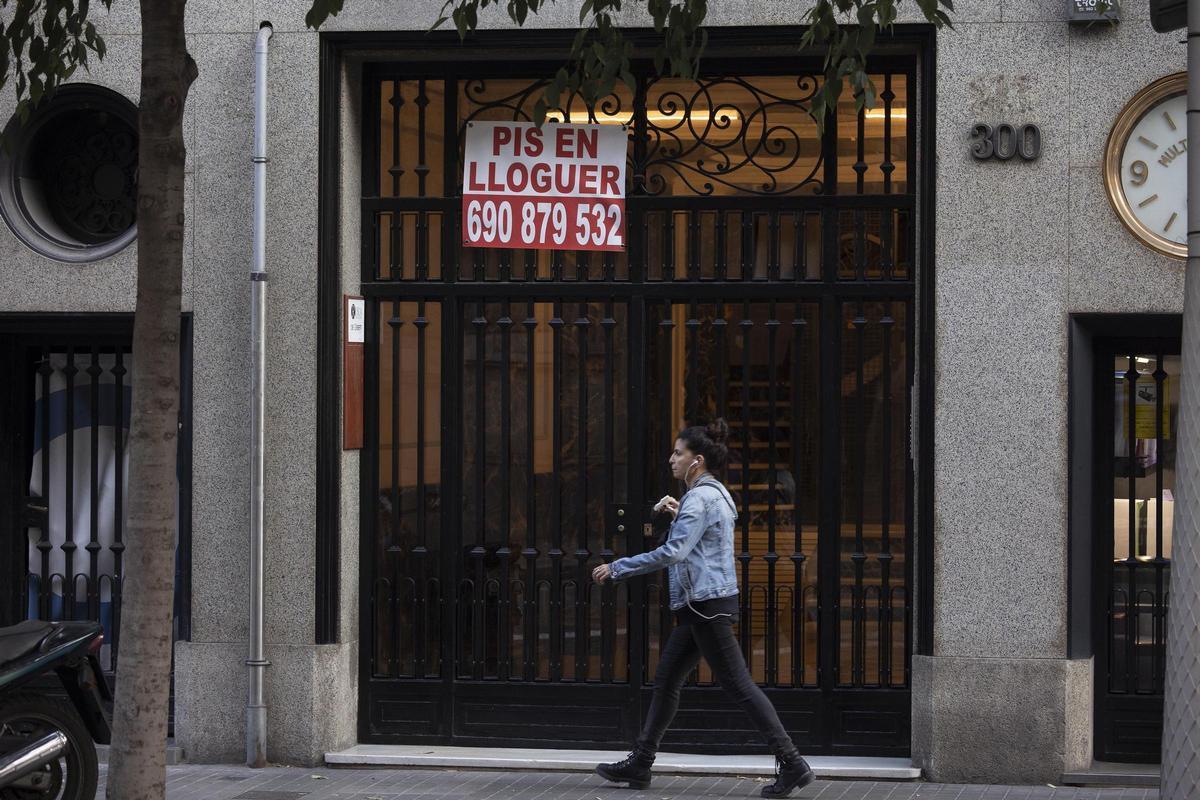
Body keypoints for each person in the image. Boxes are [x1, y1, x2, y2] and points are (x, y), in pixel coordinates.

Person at [590, 419, 815, 798]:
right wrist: (680, 516)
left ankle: (792, 762)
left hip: (706, 606)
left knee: (739, 685)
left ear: (696, 461)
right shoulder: (713, 495)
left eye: (678, 453)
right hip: (702, 606)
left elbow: (674, 551)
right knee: (666, 682)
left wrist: (618, 567)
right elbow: (703, 544)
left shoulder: (700, 498)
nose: (671, 459)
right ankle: (642, 762)